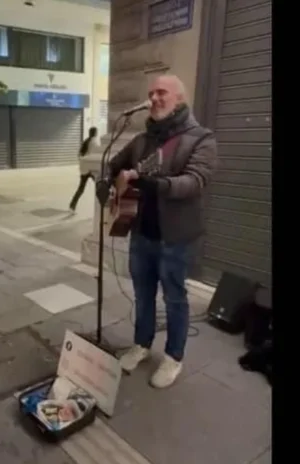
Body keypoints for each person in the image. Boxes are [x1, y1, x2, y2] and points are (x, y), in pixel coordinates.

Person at [96, 75, 218, 388]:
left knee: (175, 298)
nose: (153, 99)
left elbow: (194, 181)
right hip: (141, 232)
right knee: (142, 294)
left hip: (175, 238)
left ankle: (173, 357)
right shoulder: (141, 140)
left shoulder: (201, 138)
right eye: (151, 93)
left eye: (161, 92)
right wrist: (107, 181)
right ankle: (141, 344)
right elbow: (113, 163)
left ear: (179, 98)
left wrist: (156, 184)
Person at [69, 126, 100, 212]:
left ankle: (72, 205)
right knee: (100, 186)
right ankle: (100, 206)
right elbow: (96, 154)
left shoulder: (86, 141)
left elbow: (80, 155)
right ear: (95, 133)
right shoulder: (94, 142)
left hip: (84, 169)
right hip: (91, 169)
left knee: (81, 189)